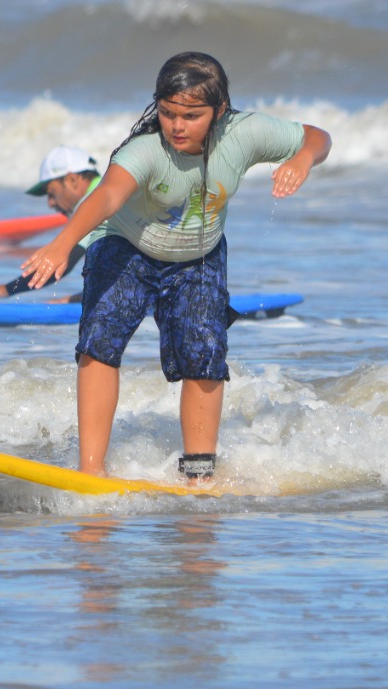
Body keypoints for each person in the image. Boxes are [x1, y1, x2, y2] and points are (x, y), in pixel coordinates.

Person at [21, 51, 331, 481]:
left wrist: (302, 159)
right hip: (126, 245)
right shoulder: (147, 149)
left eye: (191, 115)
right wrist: (63, 243)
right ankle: (91, 470)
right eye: (167, 113)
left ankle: (200, 476)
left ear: (219, 111)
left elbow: (316, 136)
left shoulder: (244, 133)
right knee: (100, 339)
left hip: (198, 257)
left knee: (205, 351)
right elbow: (107, 195)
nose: (177, 126)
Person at [0, 146, 99, 301]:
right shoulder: (110, 190)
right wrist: (75, 299)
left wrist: (7, 289)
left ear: (72, 180)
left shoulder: (94, 202)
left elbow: (62, 262)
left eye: (52, 193)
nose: (50, 203)